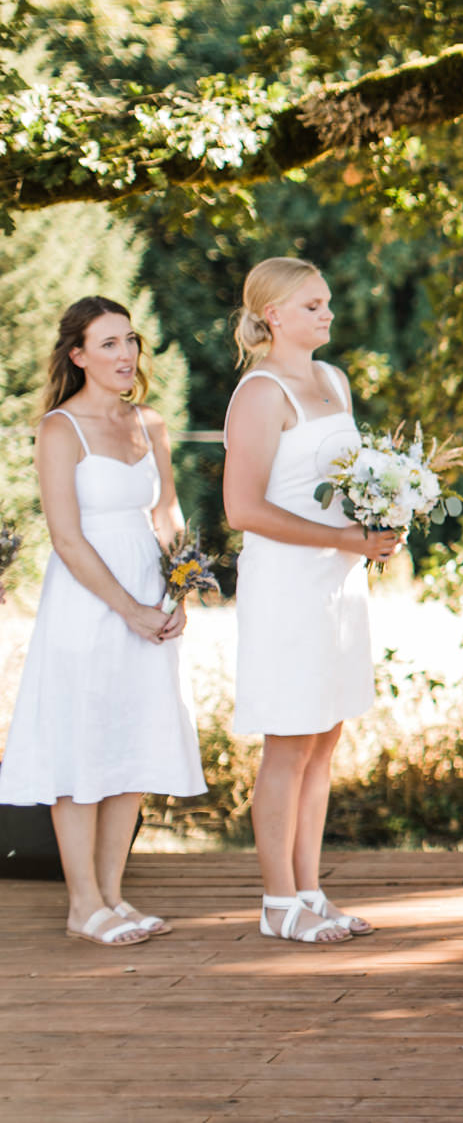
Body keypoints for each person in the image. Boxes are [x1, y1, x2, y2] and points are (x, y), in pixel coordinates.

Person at [0, 297, 205, 945]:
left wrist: (182, 591)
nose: (126, 355)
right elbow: (66, 537)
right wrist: (131, 610)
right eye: (109, 344)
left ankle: (114, 897)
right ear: (78, 355)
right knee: (83, 744)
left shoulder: (150, 422)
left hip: (151, 598)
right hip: (89, 606)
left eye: (131, 341)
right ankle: (82, 904)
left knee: (133, 744)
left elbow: (168, 515)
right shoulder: (60, 428)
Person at [223, 258, 401, 946]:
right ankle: (275, 900)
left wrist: (378, 523)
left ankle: (310, 887)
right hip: (287, 585)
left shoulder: (333, 380)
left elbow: (348, 480)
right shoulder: (261, 393)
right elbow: (243, 507)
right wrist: (345, 535)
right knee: (289, 739)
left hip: (338, 581)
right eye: (313, 305)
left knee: (326, 736)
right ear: (274, 316)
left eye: (327, 302)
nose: (328, 314)